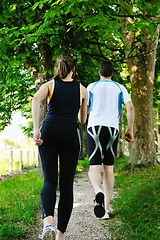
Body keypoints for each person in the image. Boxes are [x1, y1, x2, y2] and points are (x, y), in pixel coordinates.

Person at [32, 53, 88, 240]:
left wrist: (35, 129)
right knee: (66, 185)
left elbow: (35, 99)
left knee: (49, 180)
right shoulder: (83, 90)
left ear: (58, 69)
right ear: (73, 70)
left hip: (49, 131)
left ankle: (48, 222)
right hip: (70, 134)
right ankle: (60, 235)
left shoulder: (50, 85)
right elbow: (82, 120)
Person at [87, 60, 134, 220]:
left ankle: (97, 191)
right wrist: (130, 128)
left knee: (94, 166)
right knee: (108, 168)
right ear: (112, 72)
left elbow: (85, 109)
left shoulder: (91, 87)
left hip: (94, 127)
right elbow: (130, 107)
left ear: (99, 72)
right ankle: (105, 209)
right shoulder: (120, 87)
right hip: (112, 129)